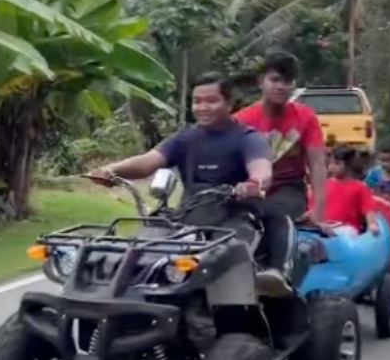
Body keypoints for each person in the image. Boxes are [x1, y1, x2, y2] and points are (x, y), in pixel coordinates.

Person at [87, 72, 289, 271]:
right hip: (187, 216)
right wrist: (111, 170)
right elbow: (149, 161)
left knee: (227, 262)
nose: (202, 108)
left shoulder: (248, 138)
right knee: (140, 252)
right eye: (197, 101)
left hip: (234, 217)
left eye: (211, 101)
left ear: (229, 104)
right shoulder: (185, 138)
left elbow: (262, 169)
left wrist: (254, 183)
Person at [234, 51, 329, 225]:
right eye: (275, 80)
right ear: (261, 81)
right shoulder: (242, 120)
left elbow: (318, 165)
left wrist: (319, 211)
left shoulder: (305, 116)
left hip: (289, 189)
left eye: (287, 81)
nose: (280, 86)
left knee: (271, 214)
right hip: (250, 190)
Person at [322, 146, 379, 228]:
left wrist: (372, 224)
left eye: (337, 164)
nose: (332, 167)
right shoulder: (324, 185)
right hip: (325, 231)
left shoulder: (360, 187)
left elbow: (368, 209)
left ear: (349, 165)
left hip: (348, 234)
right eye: (330, 163)